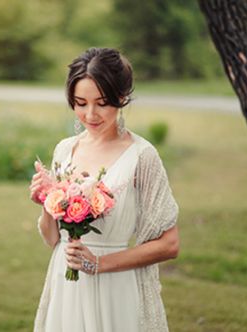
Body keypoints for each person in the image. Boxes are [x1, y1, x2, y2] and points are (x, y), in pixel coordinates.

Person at [29, 47, 179, 332]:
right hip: (66, 287)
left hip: (115, 287)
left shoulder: (142, 156)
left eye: (102, 102)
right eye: (80, 103)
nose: (91, 114)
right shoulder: (64, 150)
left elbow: (170, 244)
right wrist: (45, 201)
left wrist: (98, 263)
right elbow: (54, 241)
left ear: (121, 98)